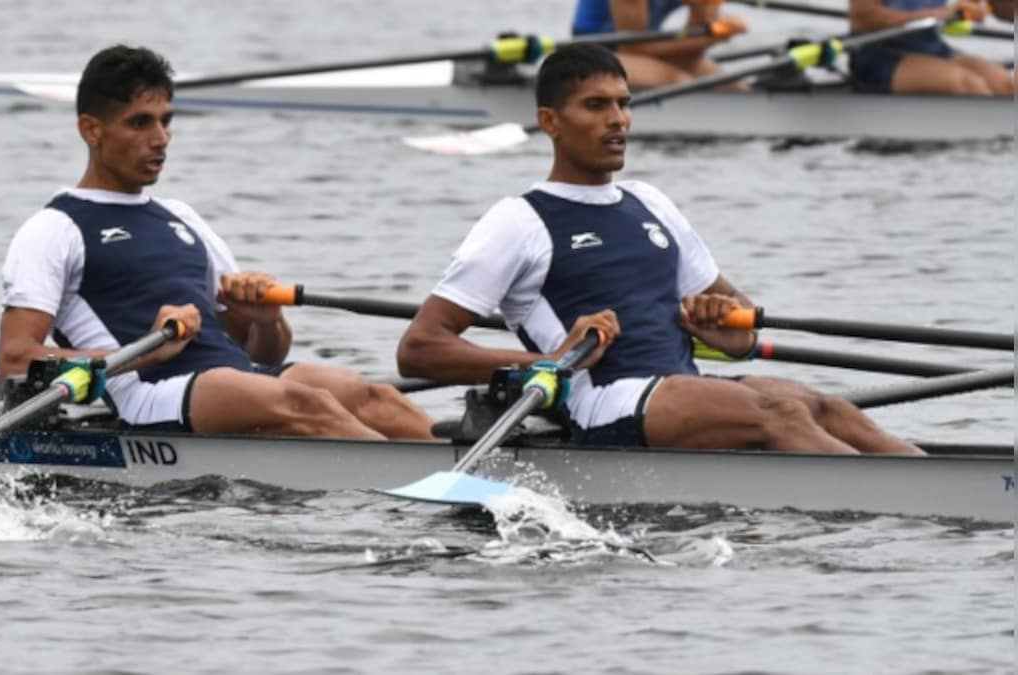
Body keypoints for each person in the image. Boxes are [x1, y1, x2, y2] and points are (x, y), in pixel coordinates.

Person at [395, 43, 923, 456]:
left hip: (678, 389)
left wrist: (726, 330)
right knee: (780, 415)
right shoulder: (518, 220)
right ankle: (904, 510)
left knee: (824, 406)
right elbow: (420, 348)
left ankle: (948, 488)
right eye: (596, 106)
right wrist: (547, 362)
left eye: (625, 104)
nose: (618, 120)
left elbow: (740, 334)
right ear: (551, 121)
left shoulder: (650, 202)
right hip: (604, 399)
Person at [0, 45, 433, 441]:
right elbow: (17, 360)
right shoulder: (54, 229)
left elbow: (262, 351)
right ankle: (425, 496)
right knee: (310, 404)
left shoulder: (181, 218)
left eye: (166, 120)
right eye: (139, 123)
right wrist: (146, 350)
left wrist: (266, 321)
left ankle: (473, 479)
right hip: (151, 394)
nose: (161, 138)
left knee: (368, 395)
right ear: (91, 131)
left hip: (233, 377)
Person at [570, 0, 749, 90]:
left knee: (732, 86)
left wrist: (705, 7)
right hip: (597, 53)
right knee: (682, 83)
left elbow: (696, 42)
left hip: (643, 48)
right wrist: (713, 37)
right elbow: (632, 47)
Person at [848, 0, 1014, 96]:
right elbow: (863, 19)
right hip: (878, 54)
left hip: (931, 47)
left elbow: (1006, 11)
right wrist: (936, 14)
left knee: (1008, 87)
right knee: (969, 85)